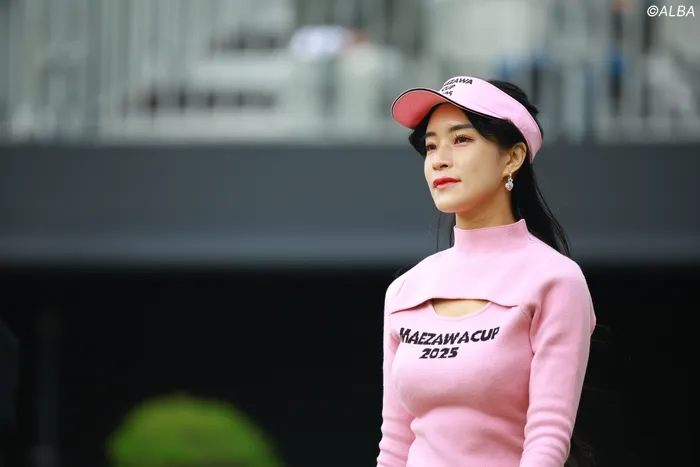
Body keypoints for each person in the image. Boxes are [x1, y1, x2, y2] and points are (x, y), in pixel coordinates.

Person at [376, 76, 596, 467]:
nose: (439, 159)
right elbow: (394, 447)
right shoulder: (405, 290)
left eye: (461, 139)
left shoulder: (555, 281)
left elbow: (547, 438)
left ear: (512, 158)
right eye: (431, 145)